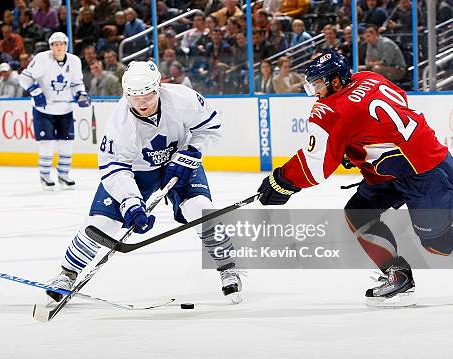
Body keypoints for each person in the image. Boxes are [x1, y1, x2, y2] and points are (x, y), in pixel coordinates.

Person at [257, 51, 452, 307]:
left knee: (438, 244)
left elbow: (315, 166)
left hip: (423, 173)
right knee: (359, 213)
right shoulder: (369, 77)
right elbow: (396, 106)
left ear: (335, 81)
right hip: (405, 164)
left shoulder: (331, 110)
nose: (315, 91)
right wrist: (360, 147)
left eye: (318, 84)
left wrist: (282, 180)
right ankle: (398, 276)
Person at [44, 61, 243, 304]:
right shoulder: (120, 123)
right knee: (102, 224)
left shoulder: (183, 99)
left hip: (180, 161)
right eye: (134, 96)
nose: (142, 102)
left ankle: (228, 266)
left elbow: (210, 127)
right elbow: (115, 168)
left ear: (159, 86)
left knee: (199, 209)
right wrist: (131, 203)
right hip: (137, 172)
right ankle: (67, 274)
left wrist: (193, 150)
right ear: (126, 94)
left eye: (147, 94)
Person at [19, 32, 91, 190]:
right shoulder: (42, 59)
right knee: (47, 144)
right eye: (55, 44)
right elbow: (24, 78)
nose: (59, 47)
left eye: (62, 44)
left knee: (67, 144)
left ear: (66, 45)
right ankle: (45, 176)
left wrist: (81, 94)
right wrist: (35, 92)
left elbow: (76, 83)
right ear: (51, 47)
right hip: (44, 110)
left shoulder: (74, 61)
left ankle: (63, 175)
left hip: (65, 109)